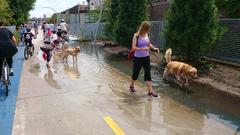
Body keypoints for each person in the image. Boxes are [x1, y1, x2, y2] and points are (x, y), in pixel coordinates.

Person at [129, 21, 159, 97]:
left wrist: (154, 48)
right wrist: (143, 49)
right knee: (136, 73)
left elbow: (148, 44)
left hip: (146, 57)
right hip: (138, 58)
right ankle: (131, 85)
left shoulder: (147, 34)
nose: (148, 30)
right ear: (143, 28)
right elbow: (133, 47)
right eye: (147, 29)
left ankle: (150, 91)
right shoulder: (136, 35)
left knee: (148, 74)